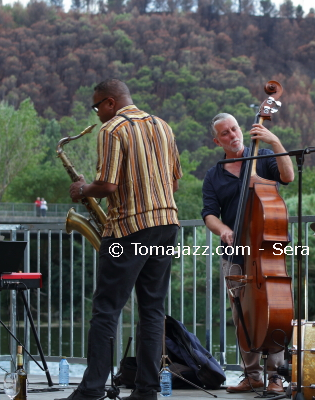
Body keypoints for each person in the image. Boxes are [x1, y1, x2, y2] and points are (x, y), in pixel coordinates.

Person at [59, 79, 182, 400]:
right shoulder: (163, 126)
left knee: (106, 310)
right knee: (153, 310)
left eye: (97, 105)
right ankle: (147, 390)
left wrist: (83, 189)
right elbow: (174, 183)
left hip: (129, 227)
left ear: (111, 102)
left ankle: (92, 389)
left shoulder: (113, 129)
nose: (97, 113)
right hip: (167, 223)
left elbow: (109, 186)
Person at [201, 113, 294, 394]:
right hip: (235, 254)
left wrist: (275, 142)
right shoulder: (214, 175)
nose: (232, 135)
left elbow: (288, 176)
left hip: (268, 249)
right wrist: (223, 230)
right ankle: (251, 375)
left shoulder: (263, 157)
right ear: (217, 140)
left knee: (274, 310)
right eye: (225, 133)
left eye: (234, 129)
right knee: (241, 313)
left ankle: (276, 375)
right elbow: (208, 214)